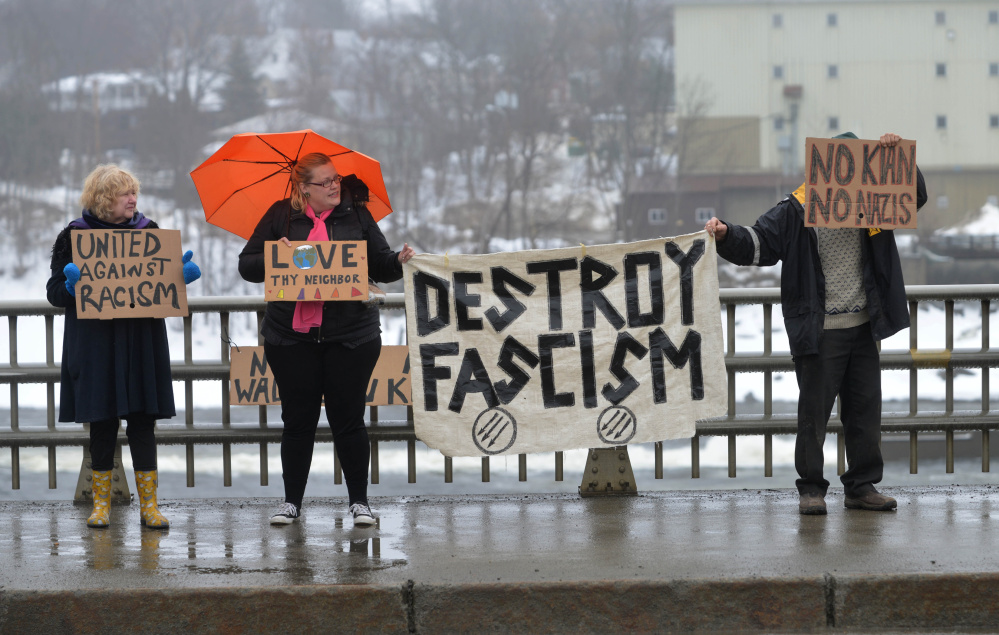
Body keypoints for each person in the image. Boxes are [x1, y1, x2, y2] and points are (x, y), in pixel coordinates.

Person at [704, 132, 927, 516]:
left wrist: (897, 159)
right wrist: (726, 233)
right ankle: (811, 489)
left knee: (865, 413)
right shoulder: (796, 209)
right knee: (813, 416)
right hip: (820, 330)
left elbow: (914, 196)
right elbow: (759, 243)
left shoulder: (871, 200)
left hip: (863, 327)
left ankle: (861, 485)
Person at [237, 152, 415, 527]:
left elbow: (380, 263)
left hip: (351, 336)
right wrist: (275, 256)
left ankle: (359, 503)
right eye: (326, 182)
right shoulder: (280, 215)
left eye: (336, 179)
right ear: (304, 189)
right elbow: (246, 265)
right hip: (291, 338)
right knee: (297, 420)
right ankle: (291, 503)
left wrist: (399, 259)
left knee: (348, 419)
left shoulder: (358, 214)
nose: (335, 186)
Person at [46, 164, 202, 529]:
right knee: (101, 421)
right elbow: (53, 293)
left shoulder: (149, 232)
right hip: (95, 344)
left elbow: (161, 286)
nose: (133, 199)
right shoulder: (73, 236)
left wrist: (179, 278)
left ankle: (150, 506)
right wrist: (69, 288)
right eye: (124, 193)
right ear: (104, 199)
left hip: (140, 341)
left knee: (143, 421)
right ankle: (100, 505)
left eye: (134, 192)